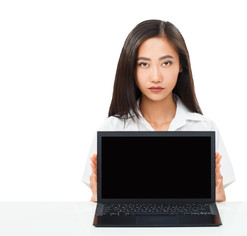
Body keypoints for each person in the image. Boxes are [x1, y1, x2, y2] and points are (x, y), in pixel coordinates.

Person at [82, 19, 235, 202]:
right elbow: (98, 208)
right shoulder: (112, 128)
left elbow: (220, 206)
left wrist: (218, 197)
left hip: (189, 231)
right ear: (130, 69)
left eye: (166, 63)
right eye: (144, 64)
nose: (156, 77)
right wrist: (97, 198)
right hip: (128, 231)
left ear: (181, 66)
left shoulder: (203, 128)